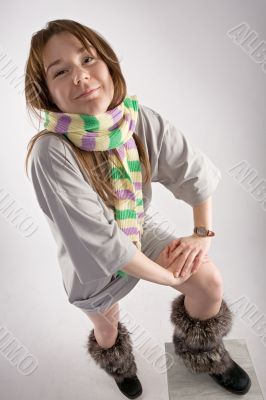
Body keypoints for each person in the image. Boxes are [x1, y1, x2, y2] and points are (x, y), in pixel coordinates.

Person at [24, 19, 251, 399]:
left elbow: (192, 170)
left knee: (208, 281)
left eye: (88, 59)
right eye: (61, 71)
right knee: (107, 327)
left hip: (137, 231)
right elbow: (102, 243)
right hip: (89, 262)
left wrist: (201, 238)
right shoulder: (49, 153)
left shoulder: (135, 119)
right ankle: (118, 364)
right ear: (46, 92)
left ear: (109, 65)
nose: (80, 76)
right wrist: (168, 278)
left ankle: (204, 353)